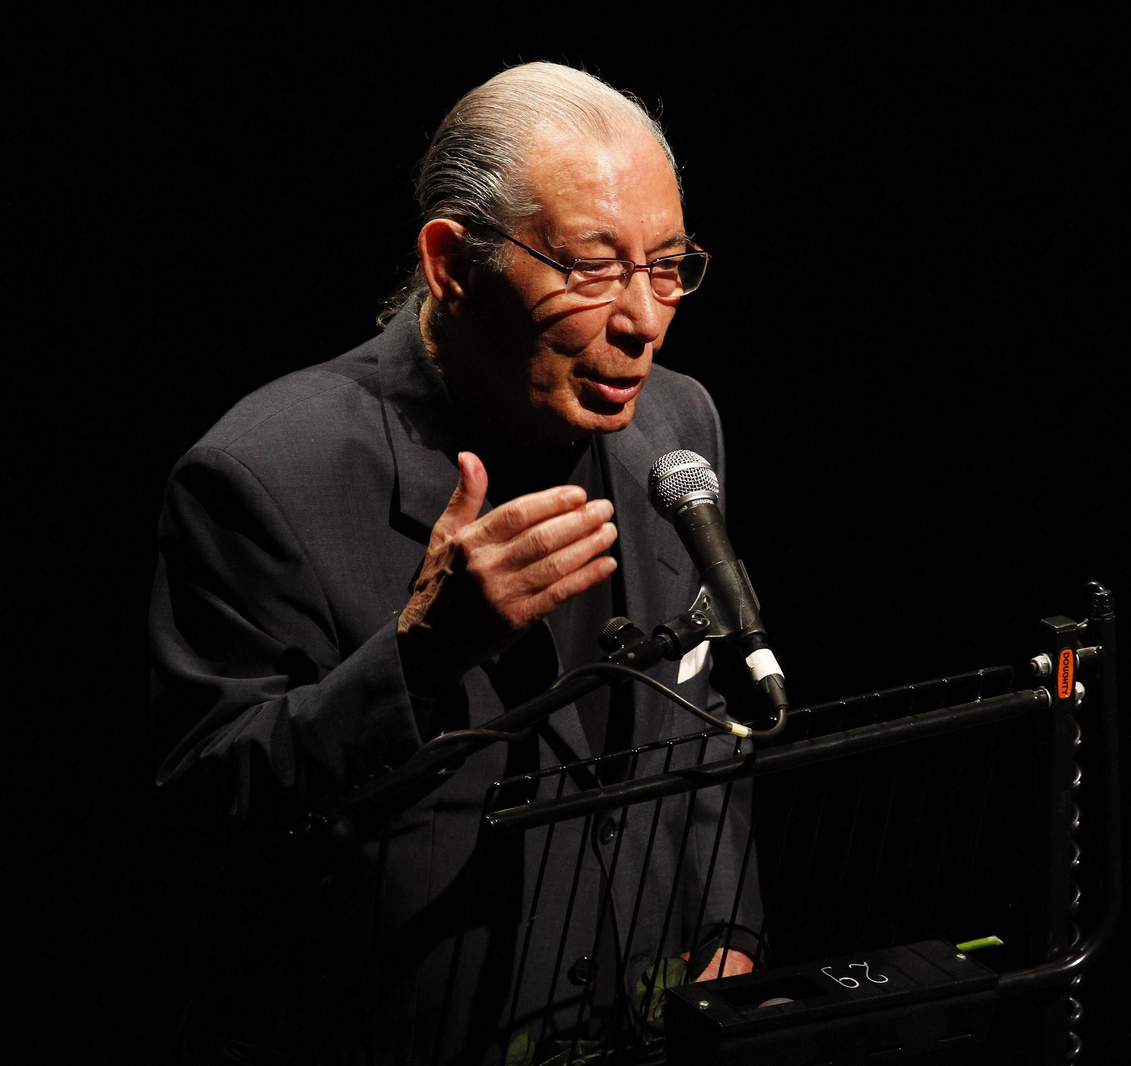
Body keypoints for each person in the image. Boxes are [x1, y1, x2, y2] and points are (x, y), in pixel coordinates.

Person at [150, 62, 760, 1065]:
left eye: (667, 264)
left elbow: (703, 725)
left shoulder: (677, 427)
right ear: (452, 262)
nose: (642, 317)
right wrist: (414, 658)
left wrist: (729, 929)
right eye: (593, 266)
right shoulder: (263, 475)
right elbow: (197, 817)